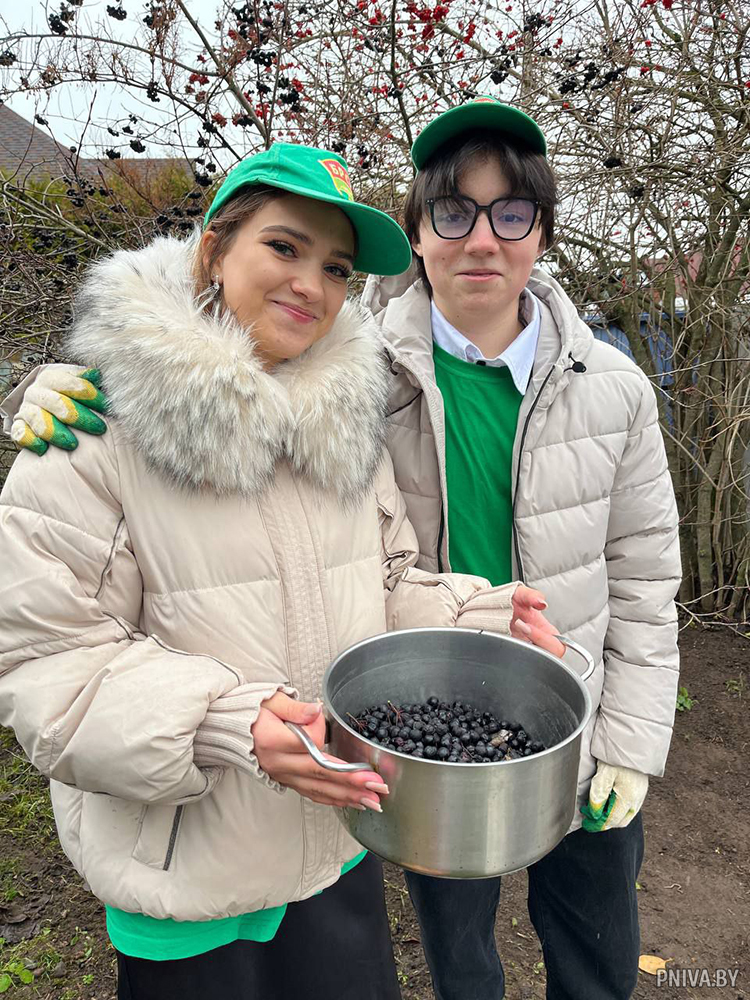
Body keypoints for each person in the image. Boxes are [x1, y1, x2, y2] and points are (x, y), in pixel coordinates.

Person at [0, 140, 561, 1000]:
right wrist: (226, 722)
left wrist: (479, 622)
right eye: (284, 247)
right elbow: (49, 666)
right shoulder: (93, 435)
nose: (311, 284)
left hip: (335, 848)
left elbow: (385, 583)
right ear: (214, 249)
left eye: (335, 267)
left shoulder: (346, 428)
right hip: (186, 878)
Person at [359, 99, 682, 1000]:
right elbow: (219, 368)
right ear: (417, 231)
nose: (482, 240)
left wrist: (630, 743)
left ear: (541, 233)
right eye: (453, 211)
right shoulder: (350, 381)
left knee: (597, 957)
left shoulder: (615, 390)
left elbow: (645, 581)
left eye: (510, 214)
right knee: (460, 962)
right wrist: (66, 386)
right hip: (430, 732)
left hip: (580, 726)